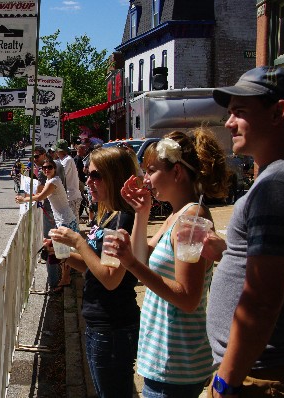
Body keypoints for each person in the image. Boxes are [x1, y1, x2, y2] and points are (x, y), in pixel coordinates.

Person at [107, 129, 229, 397]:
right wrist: (142, 212)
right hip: (169, 361)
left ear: (176, 173)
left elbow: (187, 298)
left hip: (175, 365)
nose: (145, 179)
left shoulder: (191, 219)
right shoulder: (177, 214)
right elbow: (142, 259)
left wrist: (130, 263)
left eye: (151, 170)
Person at [203, 66, 284, 397]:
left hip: (258, 378)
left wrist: (225, 380)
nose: (229, 123)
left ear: (279, 112)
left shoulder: (278, 187)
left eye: (239, 113)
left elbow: (263, 300)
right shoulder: (282, 180)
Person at [49, 146, 140, 397]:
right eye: (87, 174)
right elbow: (93, 267)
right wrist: (64, 253)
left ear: (115, 177)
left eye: (95, 176)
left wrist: (77, 242)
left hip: (113, 327)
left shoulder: (123, 219)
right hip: (99, 323)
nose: (88, 181)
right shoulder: (107, 215)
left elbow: (111, 279)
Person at [15, 154, 77, 289]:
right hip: (63, 217)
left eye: (50, 167)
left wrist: (23, 200)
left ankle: (65, 278)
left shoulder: (54, 181)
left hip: (64, 218)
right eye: (44, 168)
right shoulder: (51, 181)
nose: (47, 169)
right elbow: (38, 194)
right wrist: (26, 196)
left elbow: (40, 197)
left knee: (63, 251)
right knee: (63, 250)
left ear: (54, 169)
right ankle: (65, 277)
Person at [31, 146, 66, 290]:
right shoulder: (56, 165)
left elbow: (39, 194)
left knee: (51, 246)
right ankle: (62, 279)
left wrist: (24, 198)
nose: (35, 160)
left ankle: (54, 282)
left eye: (37, 156)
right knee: (61, 246)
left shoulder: (47, 173)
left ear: (44, 155)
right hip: (60, 212)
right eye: (33, 157)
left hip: (52, 213)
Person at [54, 139, 83, 219]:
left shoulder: (68, 160)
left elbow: (60, 175)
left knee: (72, 221)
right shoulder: (60, 160)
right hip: (67, 196)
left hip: (71, 196)